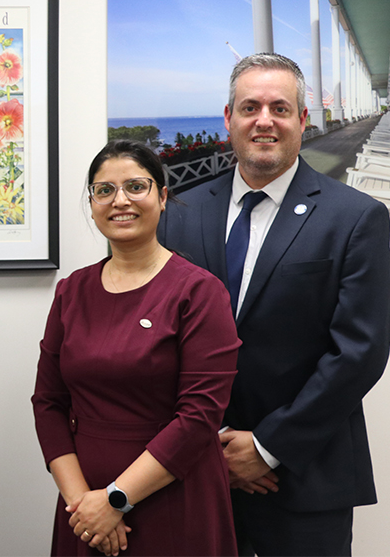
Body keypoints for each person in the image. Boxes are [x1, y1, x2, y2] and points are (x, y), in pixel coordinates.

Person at [159, 53, 390, 556]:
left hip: (307, 479)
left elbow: (360, 351)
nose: (264, 120)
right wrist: (209, 443)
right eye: (250, 107)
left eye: (280, 108)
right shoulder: (178, 213)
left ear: (302, 120)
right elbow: (157, 339)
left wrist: (267, 448)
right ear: (229, 118)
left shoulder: (357, 218)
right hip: (195, 472)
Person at [32, 139, 241, 556]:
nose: (119, 200)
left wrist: (116, 499)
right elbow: (48, 403)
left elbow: (199, 416)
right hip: (86, 509)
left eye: (136, 186)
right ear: (91, 203)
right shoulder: (71, 292)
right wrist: (83, 506)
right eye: (104, 190)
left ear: (162, 197)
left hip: (173, 497)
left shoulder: (199, 292)